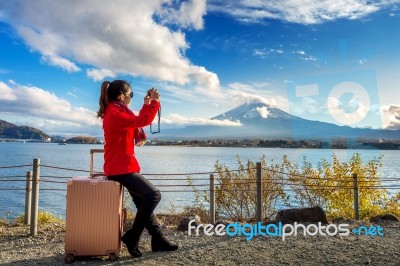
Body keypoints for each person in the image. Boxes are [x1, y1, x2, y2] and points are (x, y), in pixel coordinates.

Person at [97, 80, 178, 258]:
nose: (131, 99)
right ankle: (133, 237)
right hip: (121, 168)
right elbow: (142, 120)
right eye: (130, 95)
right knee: (153, 195)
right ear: (121, 96)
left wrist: (146, 104)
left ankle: (158, 240)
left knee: (142, 203)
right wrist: (155, 102)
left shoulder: (116, 111)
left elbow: (135, 121)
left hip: (122, 165)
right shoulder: (115, 113)